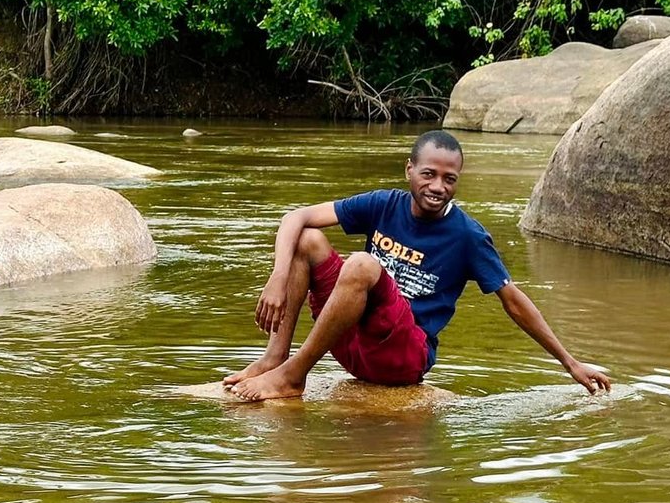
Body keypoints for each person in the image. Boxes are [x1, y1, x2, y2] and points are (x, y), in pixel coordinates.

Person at [223, 128, 612, 402]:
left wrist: (571, 363)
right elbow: (296, 216)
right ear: (409, 170)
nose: (438, 186)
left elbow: (513, 301)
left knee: (360, 264)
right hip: (354, 342)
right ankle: (276, 357)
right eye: (429, 174)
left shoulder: (468, 236)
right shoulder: (384, 204)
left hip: (402, 355)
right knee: (307, 240)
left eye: (449, 178)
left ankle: (293, 376)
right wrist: (277, 275)